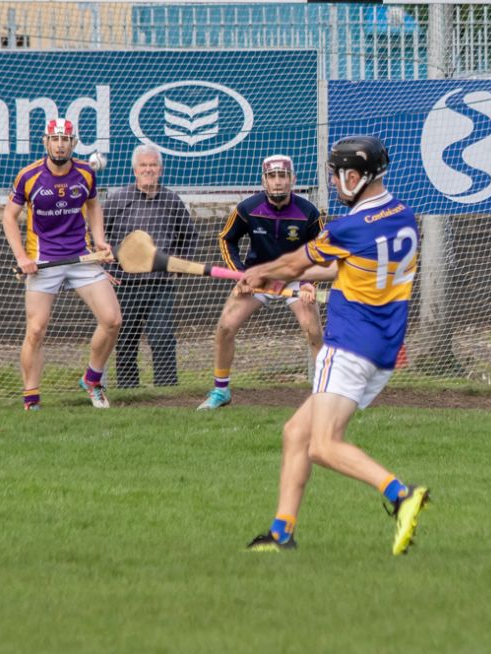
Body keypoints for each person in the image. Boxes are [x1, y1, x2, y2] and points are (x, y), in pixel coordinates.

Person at [238, 135, 429, 556]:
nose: (333, 182)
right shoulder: (402, 215)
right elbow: (345, 268)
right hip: (381, 350)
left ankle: (401, 494)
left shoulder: (349, 227)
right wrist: (278, 277)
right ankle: (281, 532)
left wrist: (261, 272)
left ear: (355, 176)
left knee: (323, 444)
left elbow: (296, 262)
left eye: (336, 175)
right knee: (295, 433)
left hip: (347, 346)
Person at [3, 119, 122, 411]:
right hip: (43, 260)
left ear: (74, 143)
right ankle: (31, 399)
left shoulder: (85, 173)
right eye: (55, 139)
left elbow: (93, 206)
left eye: (66, 139)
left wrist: (100, 242)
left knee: (112, 319)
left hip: (81, 256)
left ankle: (92, 380)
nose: (60, 144)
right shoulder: (28, 176)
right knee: (36, 330)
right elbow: (9, 217)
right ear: (45, 142)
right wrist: (22, 257)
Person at [198, 154, 325, 410]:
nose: (277, 182)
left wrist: (312, 283)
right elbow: (226, 239)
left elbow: (323, 249)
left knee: (313, 330)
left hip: (296, 278)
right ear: (263, 180)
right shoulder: (247, 208)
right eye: (272, 176)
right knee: (225, 327)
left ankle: (325, 395)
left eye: (283, 176)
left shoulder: (308, 212)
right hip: (258, 278)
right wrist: (241, 274)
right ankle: (221, 391)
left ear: (292, 179)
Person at [102, 145, 199, 388]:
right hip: (124, 285)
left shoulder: (171, 201)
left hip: (160, 284)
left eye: (152, 165)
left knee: (162, 337)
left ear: (160, 169)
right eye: (143, 165)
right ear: (135, 170)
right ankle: (127, 390)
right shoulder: (118, 200)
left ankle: (167, 391)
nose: (148, 169)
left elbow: (190, 237)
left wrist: (180, 263)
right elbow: (99, 238)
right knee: (125, 339)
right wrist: (104, 269)